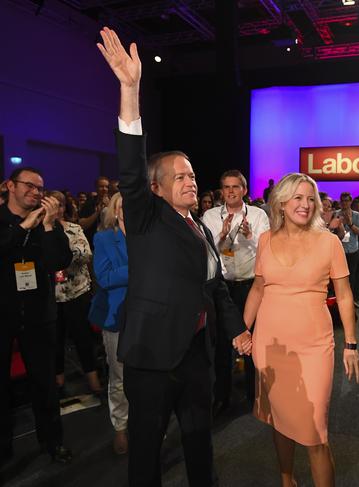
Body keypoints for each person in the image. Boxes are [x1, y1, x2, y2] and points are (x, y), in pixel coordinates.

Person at [97, 27, 251, 486]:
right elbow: (129, 163)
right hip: (152, 359)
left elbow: (215, 286)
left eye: (192, 174)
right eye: (179, 175)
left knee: (200, 443)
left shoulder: (200, 227)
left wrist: (237, 330)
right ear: (157, 187)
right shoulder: (146, 217)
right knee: (146, 450)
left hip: (194, 357)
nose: (190, 180)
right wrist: (130, 88)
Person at [243, 172, 359, 487]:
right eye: (297, 197)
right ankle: (287, 480)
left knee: (314, 431)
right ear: (281, 202)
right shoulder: (266, 239)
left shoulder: (329, 242)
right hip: (270, 344)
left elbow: (346, 295)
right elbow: (257, 289)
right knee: (279, 421)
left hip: (314, 347)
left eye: (311, 198)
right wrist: (244, 331)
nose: (306, 204)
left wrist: (351, 345)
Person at [0, 167, 73, 464]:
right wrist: (22, 228)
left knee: (44, 384)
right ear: (9, 186)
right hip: (3, 314)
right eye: (29, 186)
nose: (36, 192)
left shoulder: (48, 222)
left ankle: (52, 442)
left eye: (40, 188)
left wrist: (45, 226)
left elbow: (59, 261)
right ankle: (3, 449)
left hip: (38, 315)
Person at [202, 170, 270, 413]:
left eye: (235, 187)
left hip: (252, 286)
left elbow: (267, 250)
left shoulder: (259, 215)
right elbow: (209, 250)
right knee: (222, 345)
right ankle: (222, 396)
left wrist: (250, 236)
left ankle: (254, 393)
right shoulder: (210, 216)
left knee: (254, 339)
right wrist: (222, 234)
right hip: (223, 288)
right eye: (226, 187)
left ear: (244, 190)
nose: (230, 191)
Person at [48, 191, 101, 396]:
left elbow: (86, 254)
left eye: (61, 205)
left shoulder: (74, 228)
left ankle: (93, 380)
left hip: (77, 292)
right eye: (53, 205)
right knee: (56, 340)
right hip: (52, 296)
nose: (58, 209)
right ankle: (59, 382)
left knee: (83, 338)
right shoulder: (38, 231)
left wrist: (63, 256)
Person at [88, 192, 129, 455]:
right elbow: (104, 277)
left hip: (148, 316)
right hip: (116, 316)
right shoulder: (103, 237)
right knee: (120, 377)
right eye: (124, 204)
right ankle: (121, 427)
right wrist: (141, 265)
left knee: (147, 376)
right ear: (115, 209)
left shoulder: (148, 236)